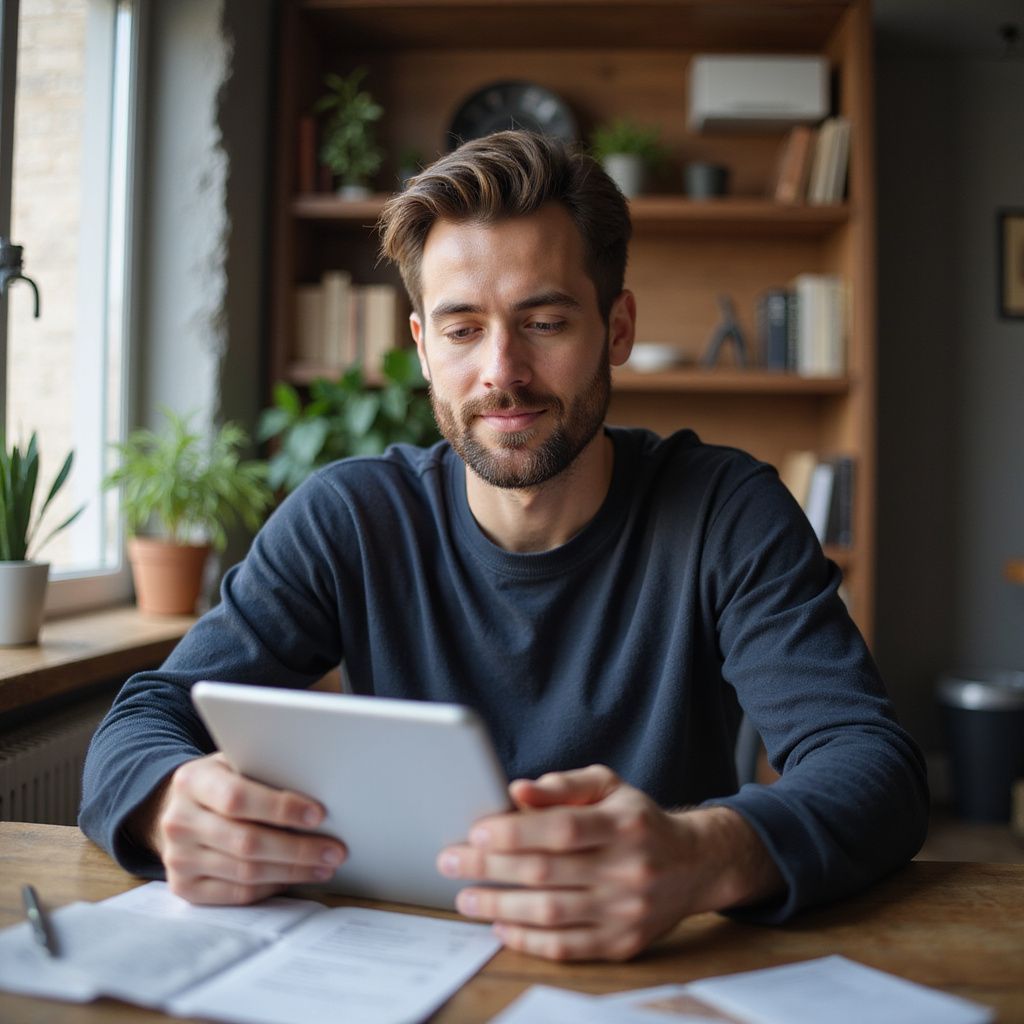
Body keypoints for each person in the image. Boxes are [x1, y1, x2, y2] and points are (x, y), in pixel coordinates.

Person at [80, 130, 929, 963]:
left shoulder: (724, 511)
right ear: (420, 347)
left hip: (651, 967)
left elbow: (871, 766)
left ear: (617, 327)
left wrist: (705, 855)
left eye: (545, 321)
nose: (503, 372)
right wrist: (169, 803)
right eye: (462, 331)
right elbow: (147, 718)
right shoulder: (349, 517)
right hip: (395, 963)